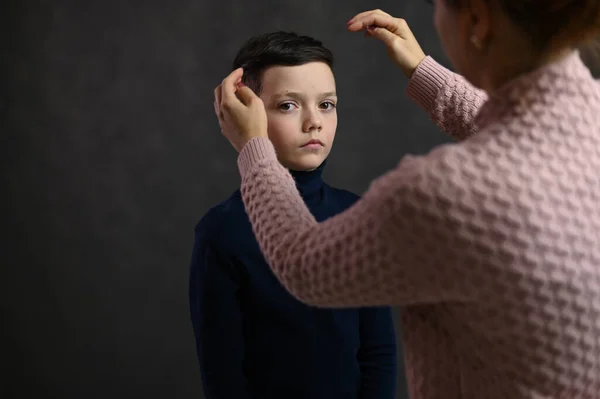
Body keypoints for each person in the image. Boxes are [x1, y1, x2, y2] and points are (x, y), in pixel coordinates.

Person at [212, 2, 600, 399]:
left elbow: (300, 263)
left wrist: (254, 149)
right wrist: (425, 74)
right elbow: (533, 133)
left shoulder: (440, 196)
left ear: (477, 21)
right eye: (289, 105)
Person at [189, 31, 398, 399]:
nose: (313, 122)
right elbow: (223, 376)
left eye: (326, 105)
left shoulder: (358, 214)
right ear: (245, 113)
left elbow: (378, 352)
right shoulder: (222, 232)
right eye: (288, 105)